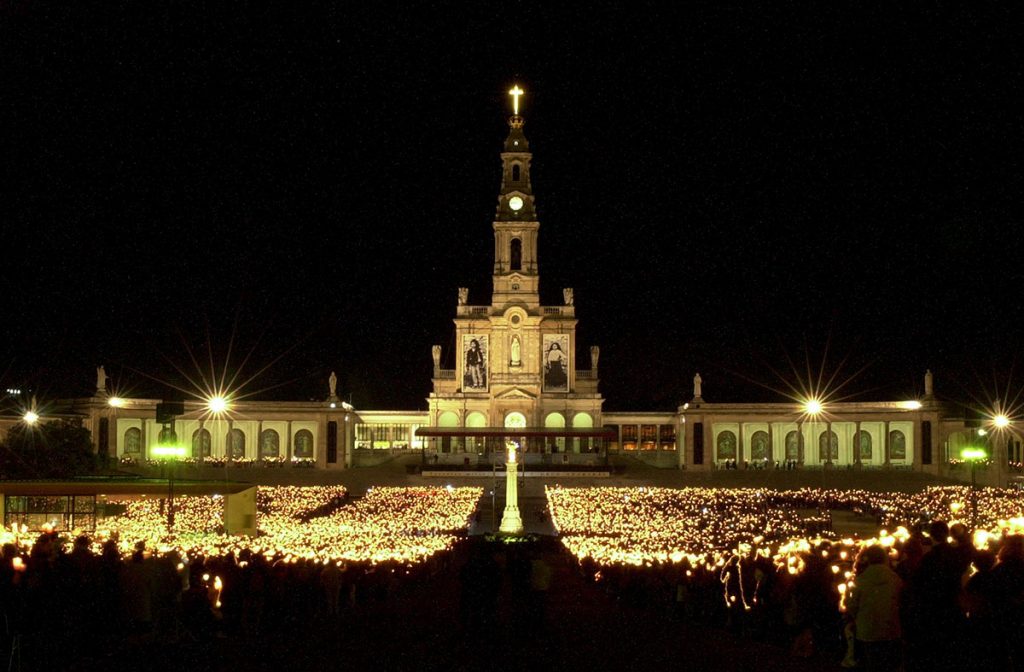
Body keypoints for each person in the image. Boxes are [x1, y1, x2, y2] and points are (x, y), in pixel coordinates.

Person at [846, 544, 903, 671]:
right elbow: (901, 602)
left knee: (872, 664)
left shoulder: (860, 580)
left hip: (867, 630)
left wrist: (858, 618)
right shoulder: (895, 579)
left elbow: (851, 604)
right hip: (890, 628)